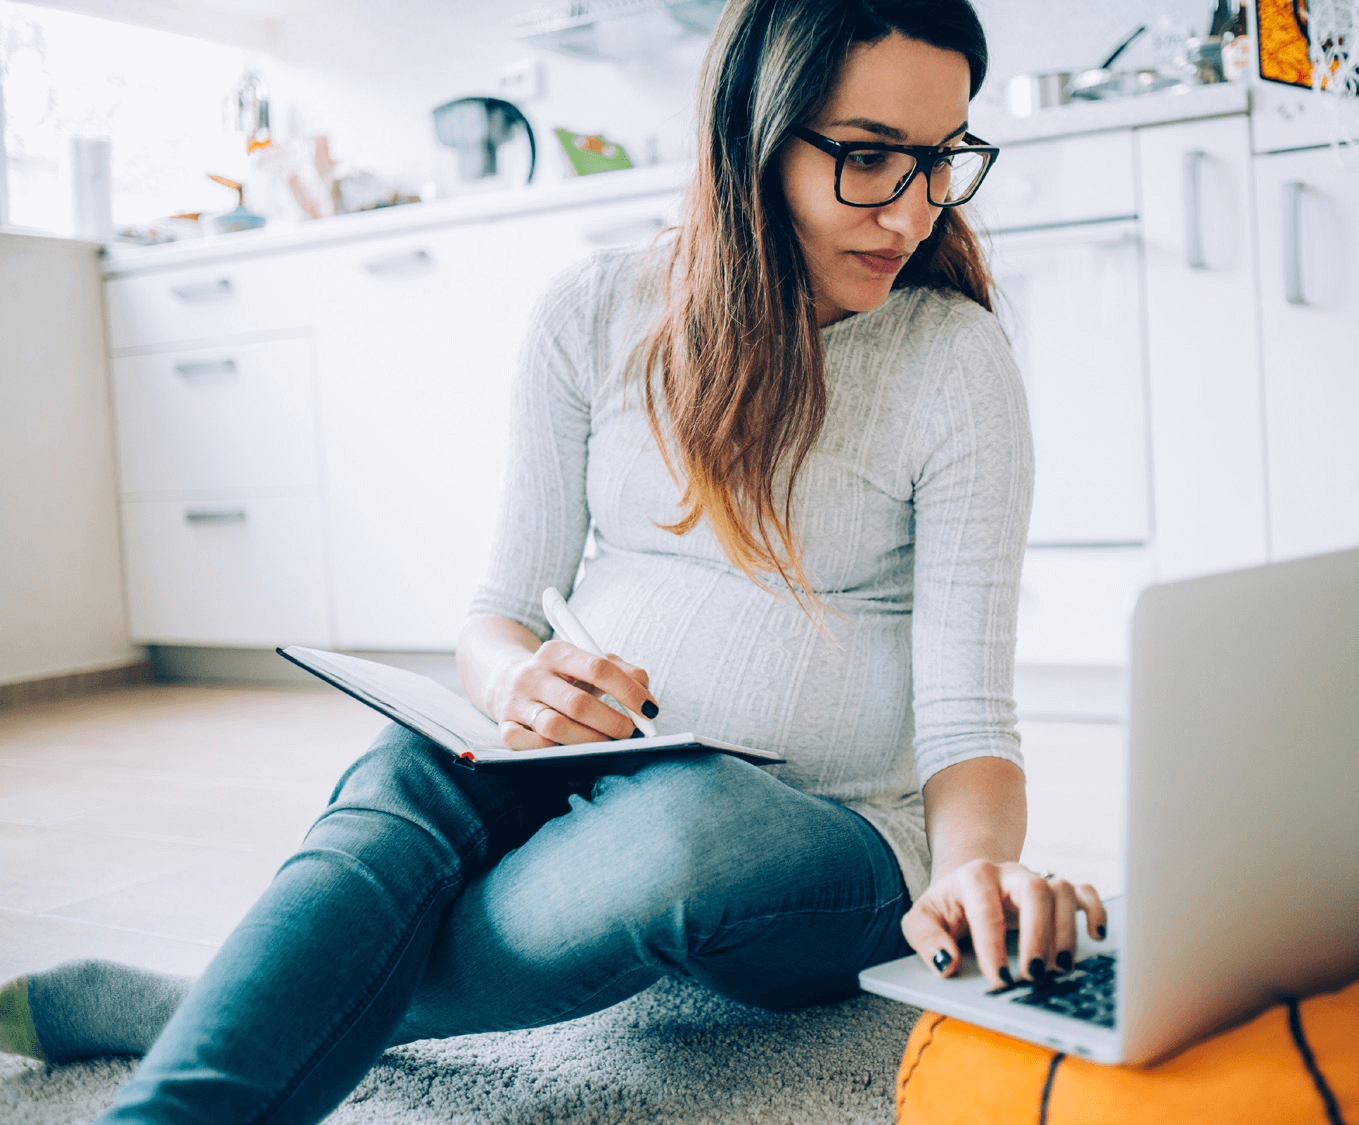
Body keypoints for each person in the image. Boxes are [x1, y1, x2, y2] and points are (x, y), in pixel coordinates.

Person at [0, 1, 1106, 1120]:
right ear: (750, 136)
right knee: (411, 764)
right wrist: (516, 683)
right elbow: (494, 616)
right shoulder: (593, 311)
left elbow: (970, 718)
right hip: (585, 764)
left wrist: (972, 874)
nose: (913, 211)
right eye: (868, 158)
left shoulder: (952, 360)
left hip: (831, 844)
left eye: (943, 159)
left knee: (681, 830)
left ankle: (200, 1007)